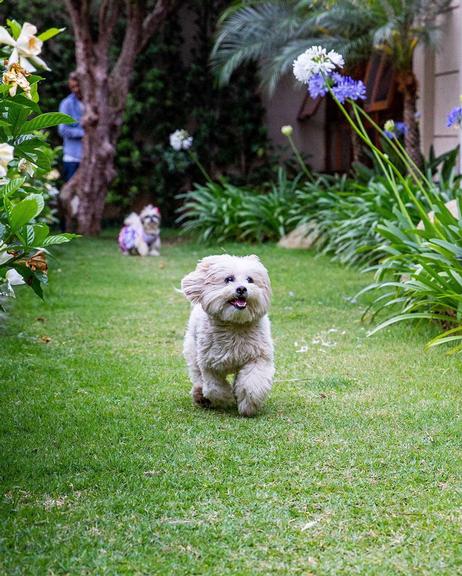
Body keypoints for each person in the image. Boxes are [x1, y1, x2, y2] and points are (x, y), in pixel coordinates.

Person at [58, 72, 84, 181]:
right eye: (73, 85)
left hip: (91, 158)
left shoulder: (93, 103)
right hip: (73, 157)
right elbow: (63, 130)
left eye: (78, 85)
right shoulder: (67, 104)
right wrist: (84, 133)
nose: (76, 88)